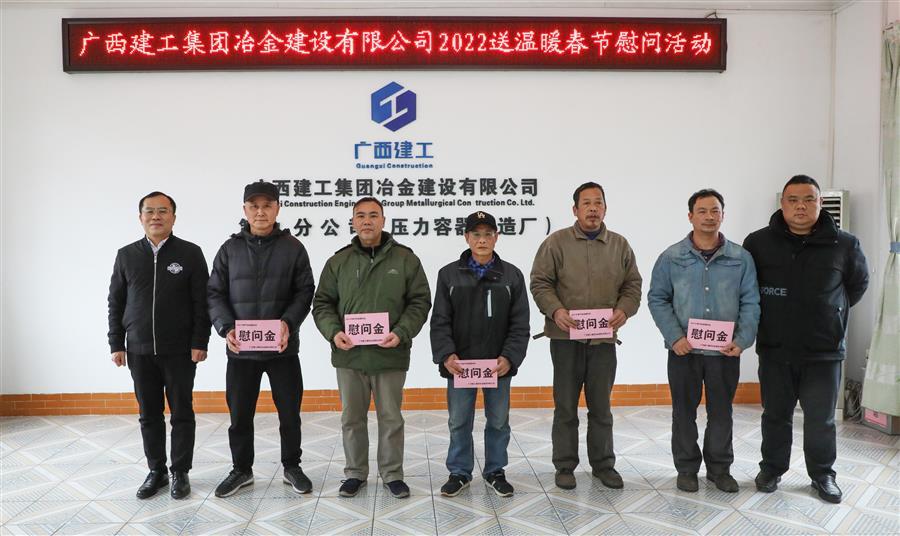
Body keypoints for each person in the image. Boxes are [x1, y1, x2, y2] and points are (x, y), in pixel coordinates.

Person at [743, 174, 868, 504]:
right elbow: (747, 288)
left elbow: (856, 286)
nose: (801, 206)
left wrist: (830, 312)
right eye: (793, 200)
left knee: (821, 420)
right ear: (782, 204)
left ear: (820, 203)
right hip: (775, 349)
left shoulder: (845, 244)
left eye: (809, 199)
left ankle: (823, 474)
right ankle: (771, 469)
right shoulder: (758, 243)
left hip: (823, 351)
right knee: (775, 415)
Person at [312, 197, 431, 499]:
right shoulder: (338, 262)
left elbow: (420, 301)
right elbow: (322, 303)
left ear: (383, 220)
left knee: (391, 417)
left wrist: (401, 332)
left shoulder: (405, 259)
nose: (367, 221)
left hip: (390, 353)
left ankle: (392, 474)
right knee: (352, 418)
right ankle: (355, 473)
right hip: (349, 355)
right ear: (353, 221)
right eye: (361, 215)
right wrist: (334, 332)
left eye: (374, 215)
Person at [530, 182, 643, 490]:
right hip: (565, 340)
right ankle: (565, 465)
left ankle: (604, 465)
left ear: (605, 208)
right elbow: (540, 282)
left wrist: (624, 310)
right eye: (586, 203)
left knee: (601, 407)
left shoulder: (619, 245)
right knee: (565, 407)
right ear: (575, 209)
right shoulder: (556, 243)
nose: (593, 208)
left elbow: (632, 285)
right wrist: (555, 311)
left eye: (598, 203)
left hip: (604, 341)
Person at [207, 180, 316, 498]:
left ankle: (292, 467)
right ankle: (241, 469)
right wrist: (226, 327)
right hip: (241, 351)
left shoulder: (293, 248)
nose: (260, 212)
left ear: (277, 208)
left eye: (267, 205)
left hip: (282, 349)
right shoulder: (229, 250)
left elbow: (304, 291)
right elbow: (214, 293)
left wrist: (288, 323)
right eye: (254, 206)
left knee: (289, 413)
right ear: (245, 210)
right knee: (240, 415)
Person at [647, 189, 760, 493]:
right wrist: (675, 337)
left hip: (725, 351)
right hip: (684, 351)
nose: (709, 217)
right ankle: (686, 469)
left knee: (721, 412)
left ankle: (719, 469)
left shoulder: (740, 258)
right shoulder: (672, 257)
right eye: (702, 211)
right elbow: (657, 298)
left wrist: (742, 339)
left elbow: (751, 301)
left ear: (723, 215)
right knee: (683, 412)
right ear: (690, 216)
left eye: (715, 211)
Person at [108, 191, 210, 500]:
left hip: (180, 350)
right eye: (149, 211)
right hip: (139, 350)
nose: (156, 216)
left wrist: (200, 341)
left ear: (173, 217)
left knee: (181, 412)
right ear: (140, 217)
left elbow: (202, 302)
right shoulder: (126, 255)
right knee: (149, 414)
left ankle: (180, 471)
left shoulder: (190, 253)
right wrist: (116, 343)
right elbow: (116, 302)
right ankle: (157, 471)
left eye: (163, 211)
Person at [430, 211, 530, 497]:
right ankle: (459, 472)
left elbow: (520, 322)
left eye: (488, 234)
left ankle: (495, 470)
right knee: (459, 421)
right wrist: (447, 355)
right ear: (466, 237)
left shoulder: (512, 275)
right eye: (476, 234)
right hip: (461, 365)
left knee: (498, 421)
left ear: (497, 237)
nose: (482, 240)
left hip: (498, 364)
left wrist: (509, 357)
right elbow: (440, 320)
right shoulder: (449, 275)